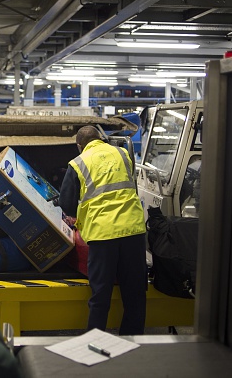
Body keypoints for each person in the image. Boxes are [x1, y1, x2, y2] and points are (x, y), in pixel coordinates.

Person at [59, 125, 147, 335]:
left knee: (100, 295)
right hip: (133, 230)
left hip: (102, 235)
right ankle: (133, 339)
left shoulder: (78, 162)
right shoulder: (123, 153)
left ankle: (96, 341)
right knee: (135, 294)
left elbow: (67, 204)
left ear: (80, 145)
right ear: (100, 138)